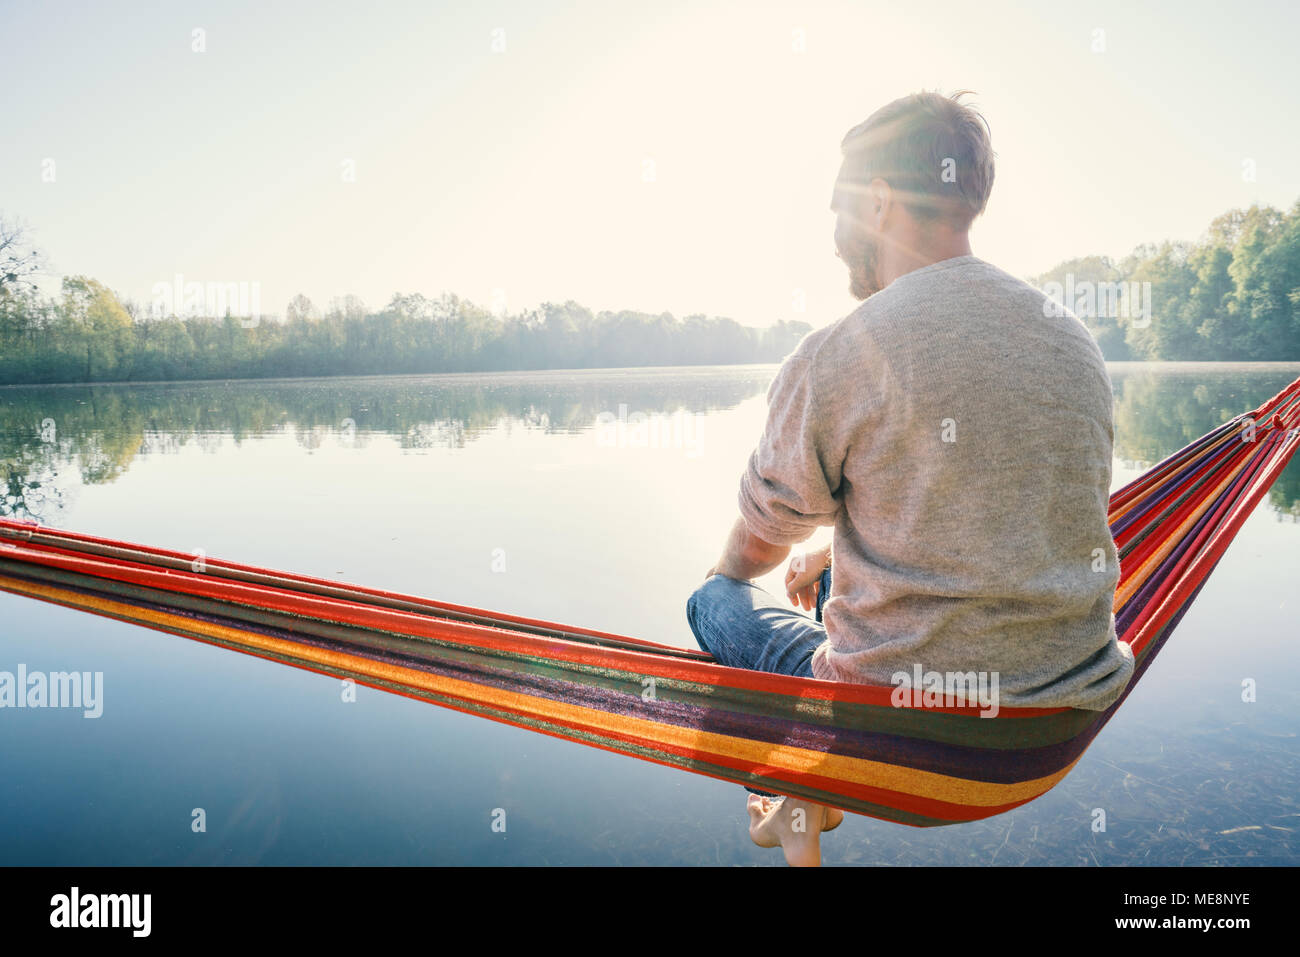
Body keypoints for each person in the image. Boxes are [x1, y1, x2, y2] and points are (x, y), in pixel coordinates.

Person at [686, 90, 1135, 867]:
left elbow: (764, 529)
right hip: (1053, 726)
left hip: (893, 728)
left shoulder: (844, 350)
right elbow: (1033, 516)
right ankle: (801, 793)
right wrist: (832, 555)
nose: (833, 238)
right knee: (826, 578)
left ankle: (802, 782)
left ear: (882, 199)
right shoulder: (1074, 343)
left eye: (839, 206)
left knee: (714, 603)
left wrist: (728, 572)